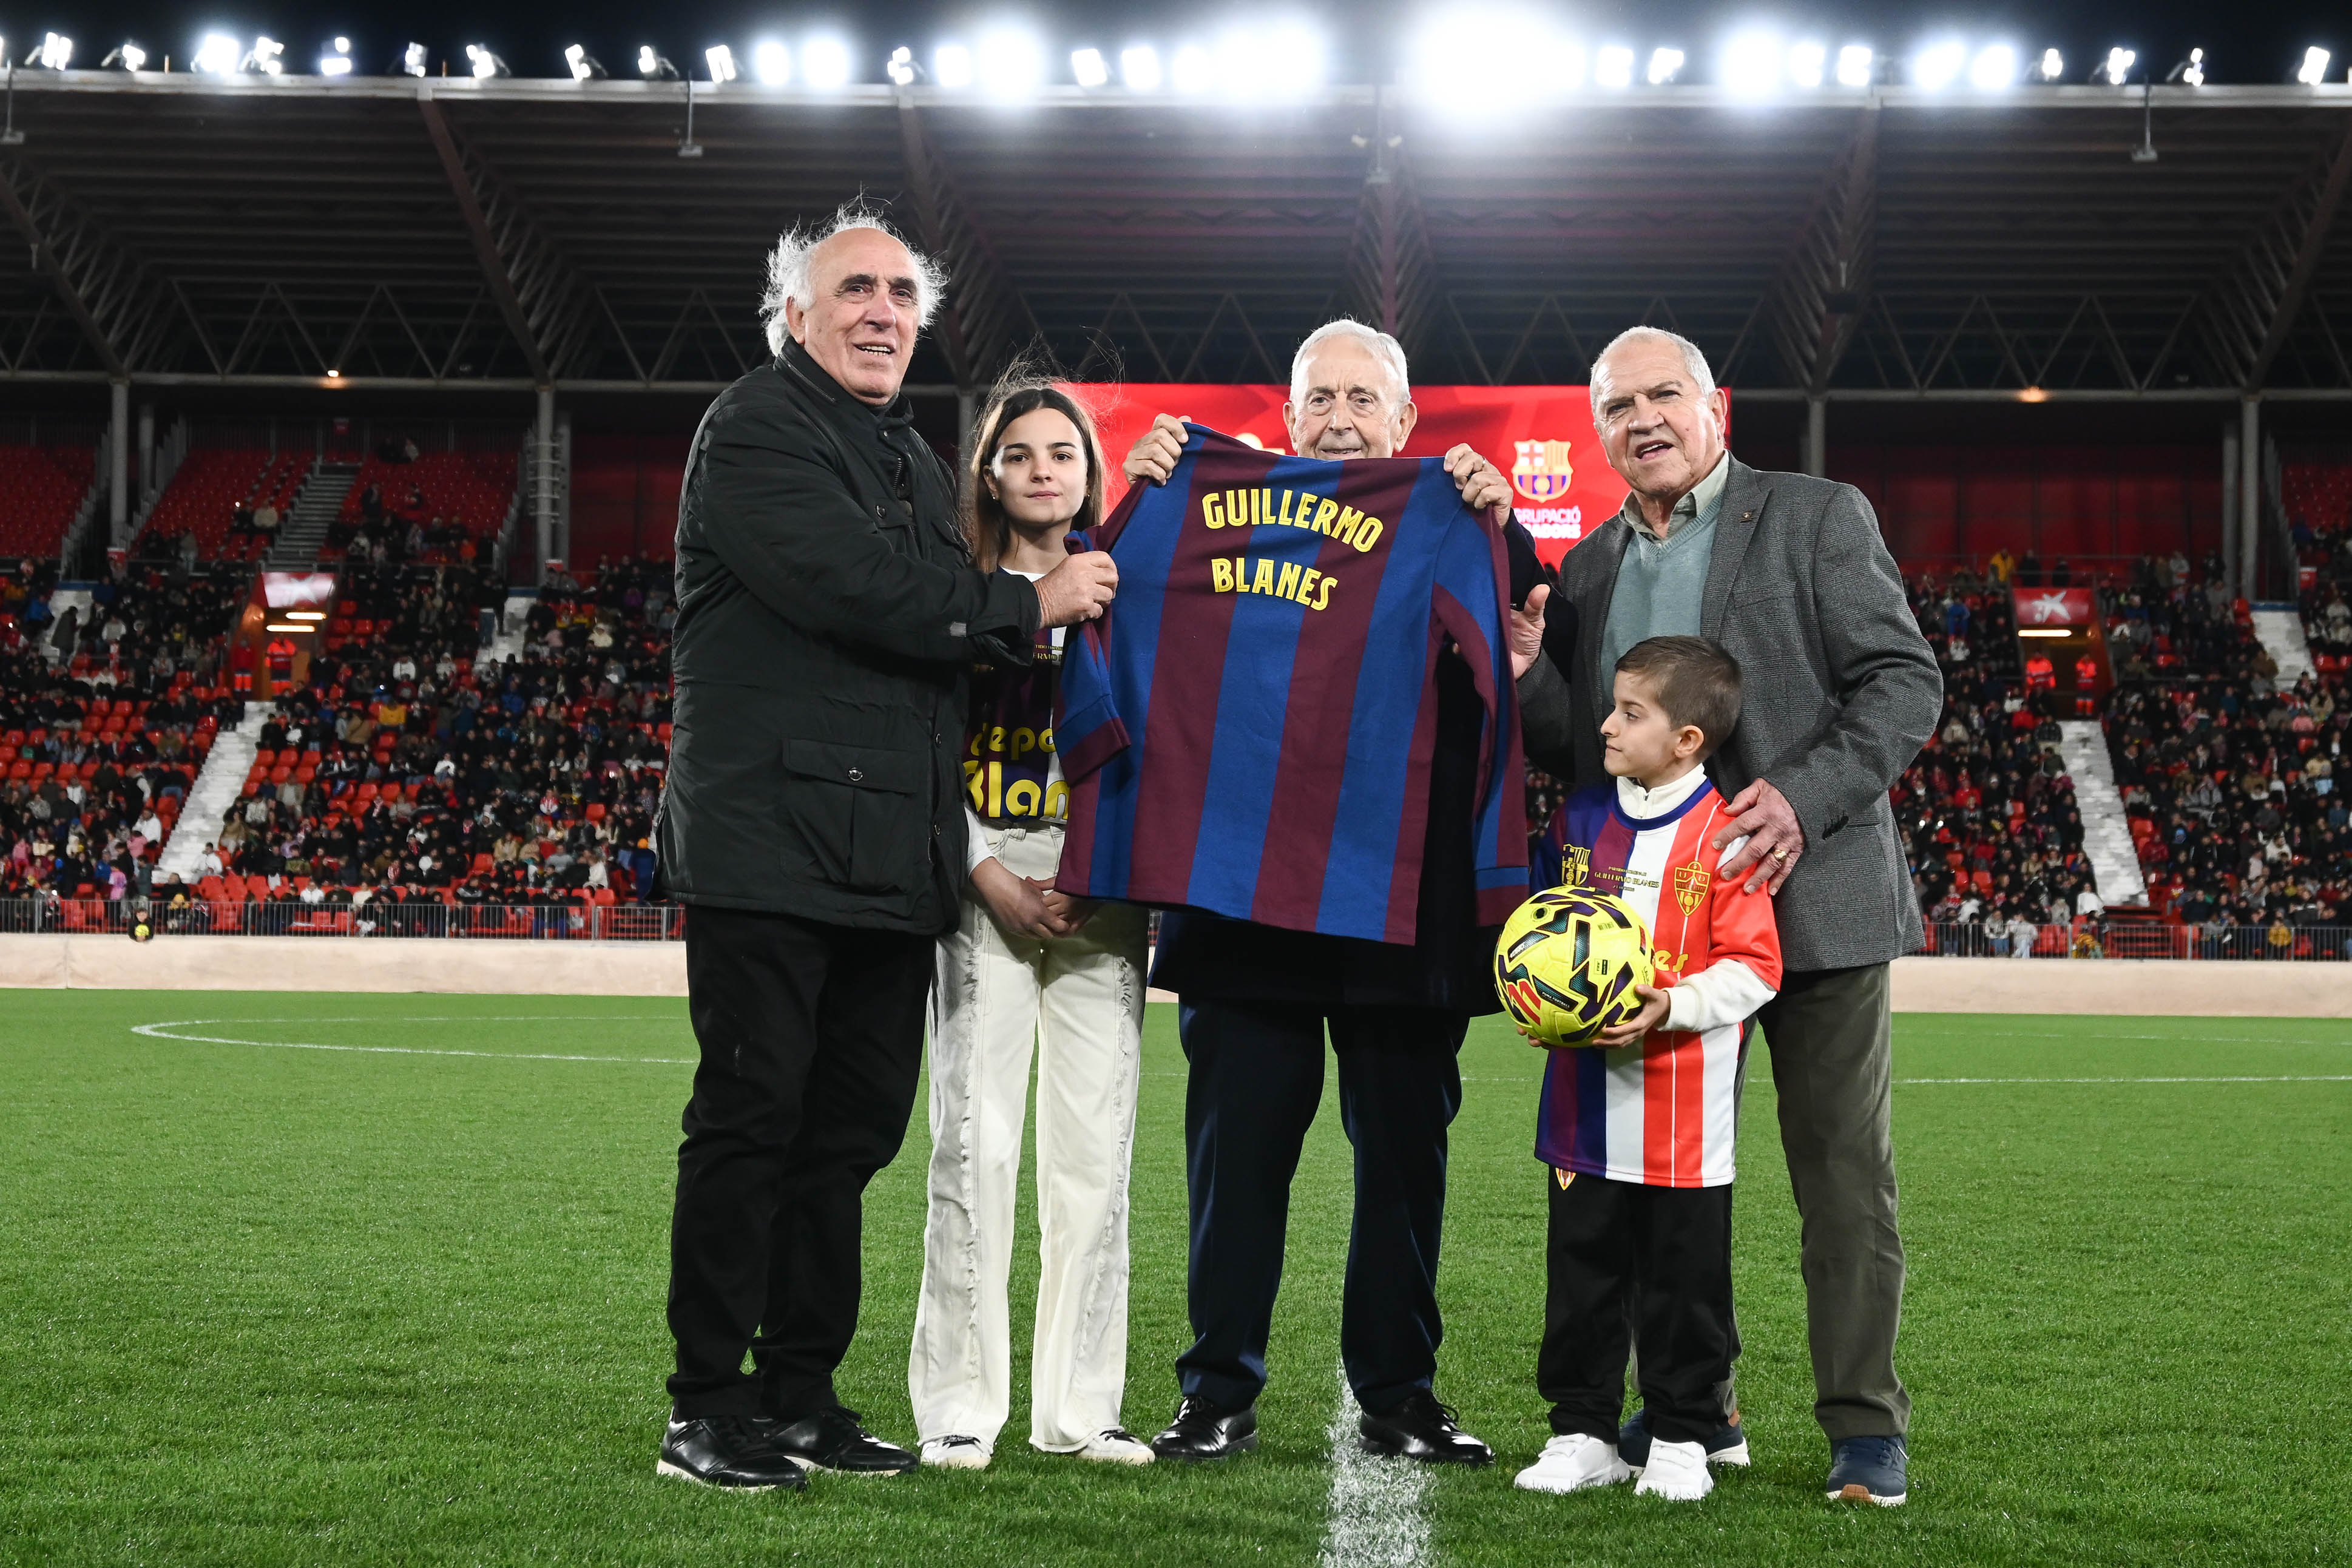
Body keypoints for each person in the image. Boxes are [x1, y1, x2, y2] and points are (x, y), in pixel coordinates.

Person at [652, 204, 1119, 1493]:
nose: (881, 311)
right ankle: (706, 1404)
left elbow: (947, 639)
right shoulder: (754, 426)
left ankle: (801, 1393)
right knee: (751, 1121)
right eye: (854, 288)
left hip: (886, 854)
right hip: (768, 842)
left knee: (847, 1134)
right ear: (794, 315)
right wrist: (1025, 603)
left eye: (902, 294)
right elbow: (856, 589)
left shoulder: (913, 459)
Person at [1515, 326, 1941, 1507]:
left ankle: (1864, 1424)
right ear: (1597, 431)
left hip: (1814, 909)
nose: (1642, 418)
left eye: (1663, 395)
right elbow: (1578, 747)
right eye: (1617, 405)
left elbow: (1904, 680)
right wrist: (1526, 673)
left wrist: (1800, 797)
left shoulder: (1814, 515)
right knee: (1653, 1182)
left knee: (1842, 1178)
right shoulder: (1593, 562)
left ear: (1716, 407)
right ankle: (1699, 1407)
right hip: (1660, 934)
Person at [1120, 319, 1533, 1467]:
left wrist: (1499, 514)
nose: (1342, 416)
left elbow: (1523, 628)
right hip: (1242, 892)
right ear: (1286, 415)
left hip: (1405, 901)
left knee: (1406, 1160)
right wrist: (1140, 489)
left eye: (1365, 398)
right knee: (1234, 1158)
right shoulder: (1208, 502)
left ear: (1405, 422)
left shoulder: (1456, 508)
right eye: (1321, 397)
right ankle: (1215, 1391)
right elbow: (1107, 596)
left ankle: (1397, 1392)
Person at [907, 377, 1155, 1471]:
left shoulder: (1133, 587)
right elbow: (919, 743)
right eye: (1021, 454)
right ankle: (959, 1409)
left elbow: (1169, 740)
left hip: (1102, 889)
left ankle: (1078, 1411)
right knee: (973, 1144)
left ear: (1091, 474)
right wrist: (988, 876)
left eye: (1064, 452)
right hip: (985, 882)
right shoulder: (949, 590)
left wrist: (1108, 869)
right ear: (990, 474)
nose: (1044, 469)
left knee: (1095, 1154)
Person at [1512, 637, 1781, 1503]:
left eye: (1633, 712)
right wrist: (1535, 1001)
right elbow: (1544, 931)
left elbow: (1755, 968)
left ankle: (1680, 1436)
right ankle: (1582, 1430)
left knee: (1682, 1288)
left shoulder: (1726, 834)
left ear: (1689, 740)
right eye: (1613, 705)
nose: (1608, 724)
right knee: (1582, 1278)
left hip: (1683, 1120)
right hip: (1581, 1110)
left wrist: (1671, 1004)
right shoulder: (1582, 819)